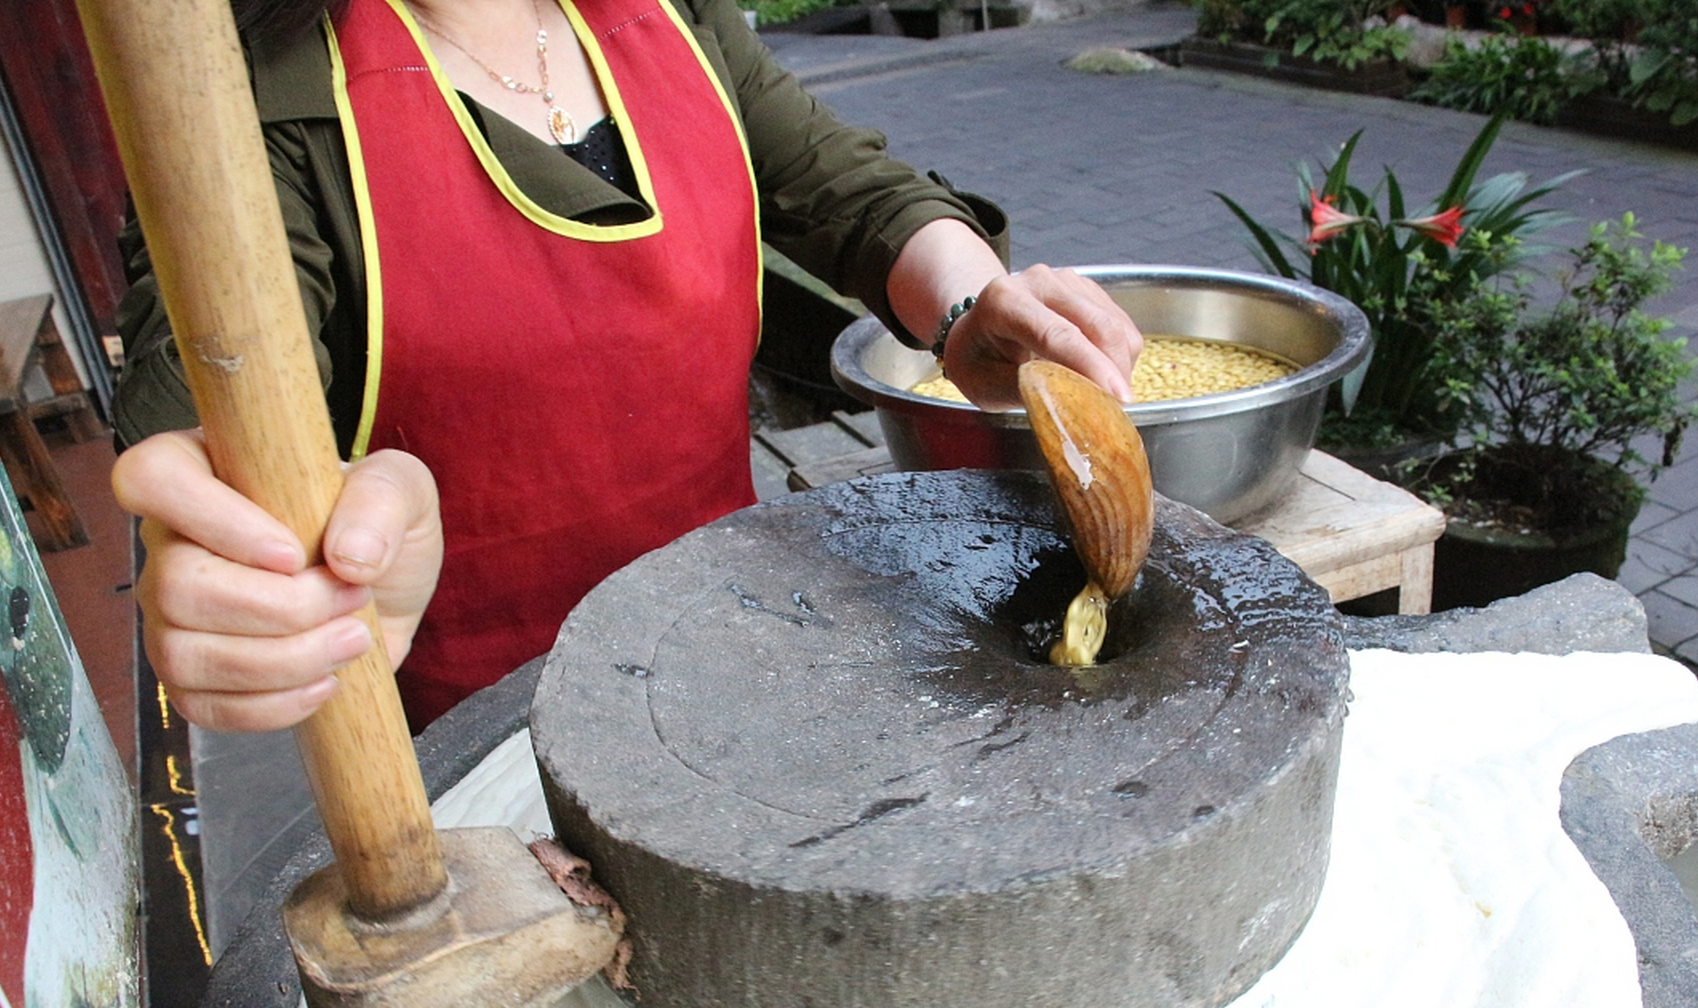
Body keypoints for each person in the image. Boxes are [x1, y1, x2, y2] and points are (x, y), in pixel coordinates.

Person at [112, 0, 1141, 732]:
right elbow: (204, 414)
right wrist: (240, 571)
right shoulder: (256, 109)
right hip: (497, 723)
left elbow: (851, 193)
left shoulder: (672, 20)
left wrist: (973, 310)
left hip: (748, 638)